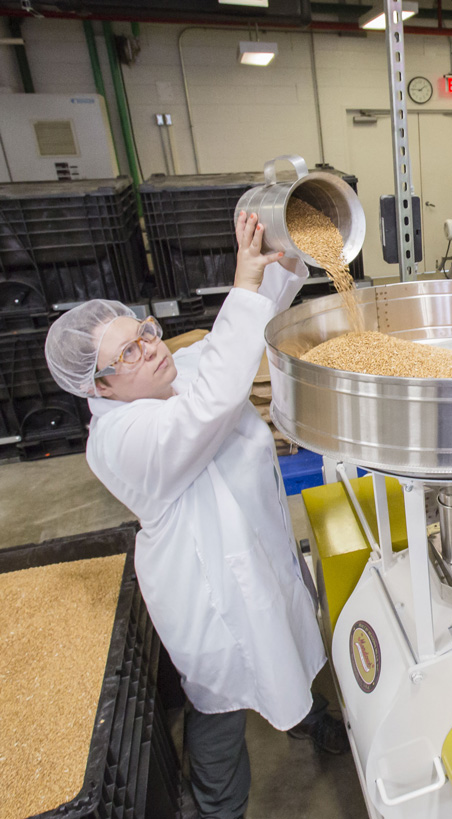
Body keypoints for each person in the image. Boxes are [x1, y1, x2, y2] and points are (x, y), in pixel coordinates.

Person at [45, 211, 347, 819]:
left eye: (145, 333)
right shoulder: (119, 440)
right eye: (127, 353)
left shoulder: (168, 374)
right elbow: (212, 403)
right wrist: (241, 285)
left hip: (256, 552)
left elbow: (225, 346)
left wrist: (281, 263)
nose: (149, 349)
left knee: (289, 633)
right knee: (221, 703)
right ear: (97, 388)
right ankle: (218, 807)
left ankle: (304, 716)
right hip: (211, 593)